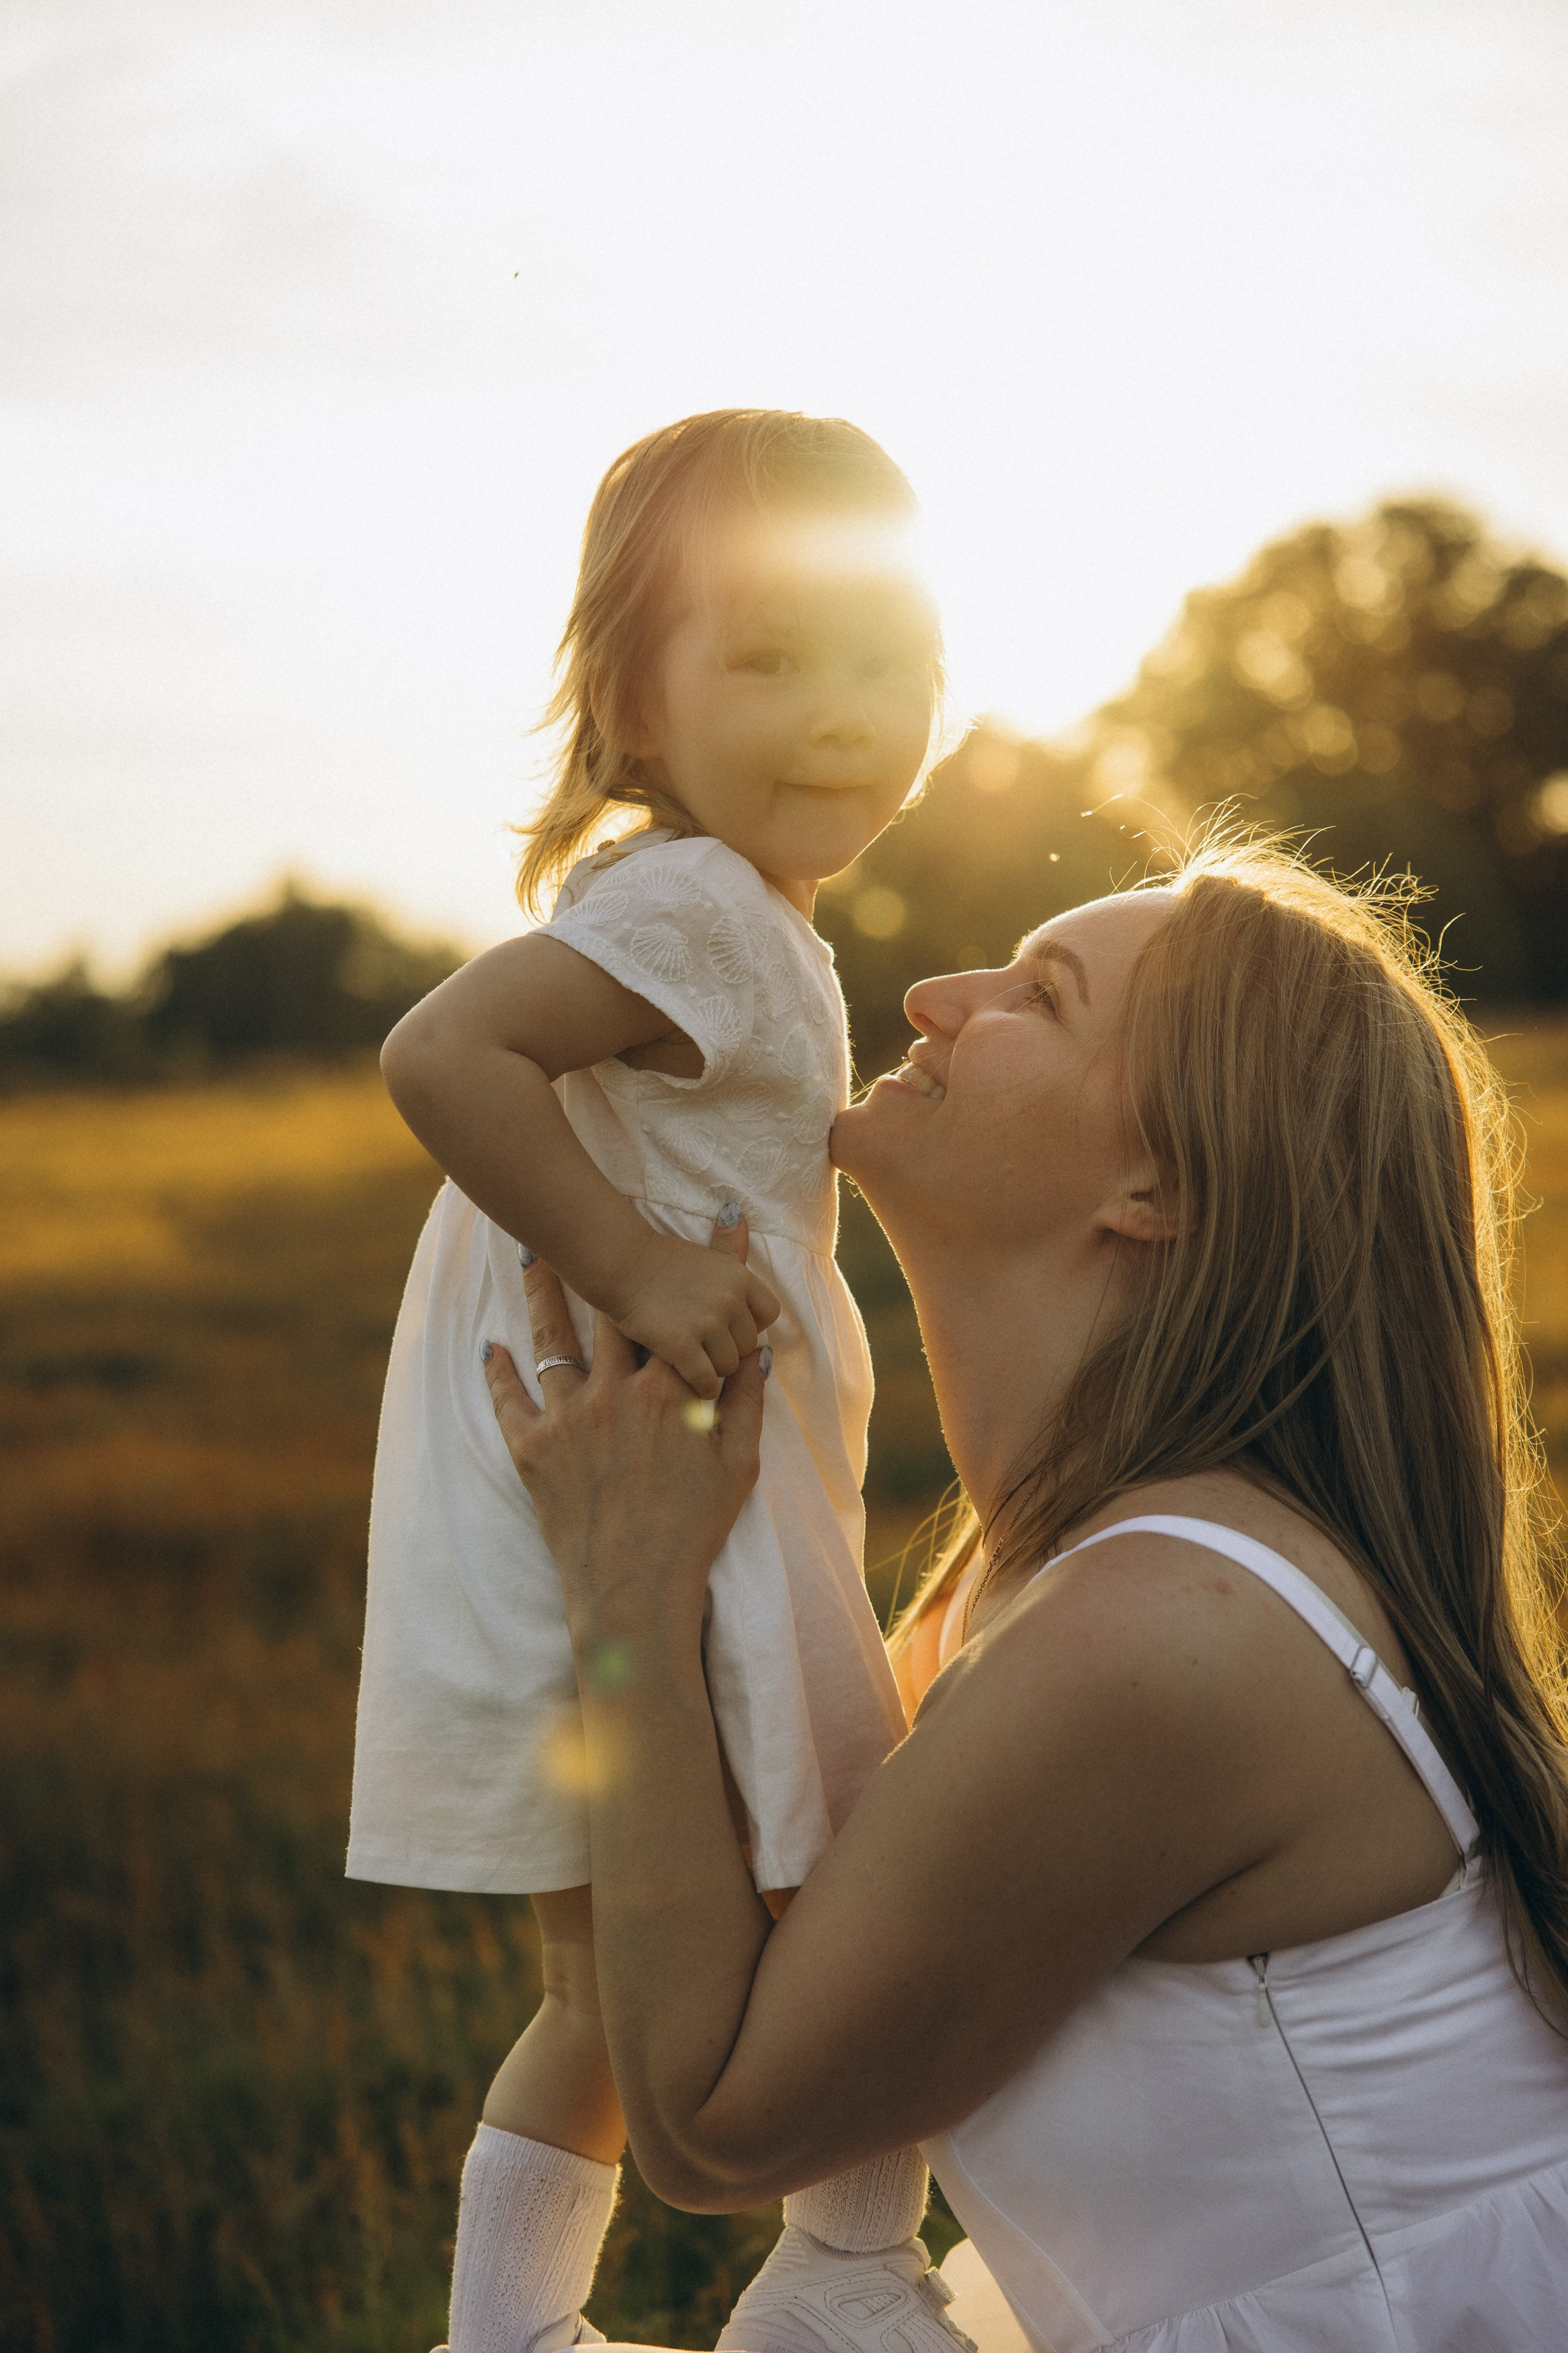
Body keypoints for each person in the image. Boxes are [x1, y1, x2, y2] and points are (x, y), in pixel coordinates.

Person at [481, 842, 1568, 2352]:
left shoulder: (1159, 1630)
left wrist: (624, 1596)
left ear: (1160, 1184)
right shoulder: (1028, 1583)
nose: (931, 993)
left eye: (1039, 995)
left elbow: (720, 2124)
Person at [347, 409, 972, 2353]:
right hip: (666, 1485)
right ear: (634, 695)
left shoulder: (727, 911)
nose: (837, 710)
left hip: (598, 1485)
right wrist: (625, 1256)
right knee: (878, 1885)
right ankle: (849, 2270)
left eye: (881, 658)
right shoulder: (698, 903)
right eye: (765, 657)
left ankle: (505, 2332)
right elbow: (443, 1052)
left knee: (610, 1993)